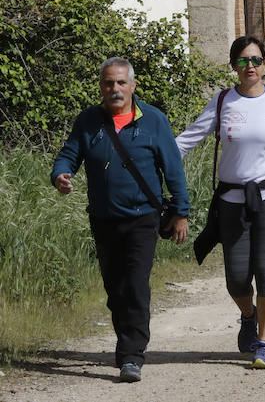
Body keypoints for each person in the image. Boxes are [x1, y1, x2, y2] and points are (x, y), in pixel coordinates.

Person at [51, 57, 190, 383]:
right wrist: (60, 174)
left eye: (120, 83)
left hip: (143, 218)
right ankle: (126, 342)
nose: (114, 89)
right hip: (103, 219)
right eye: (108, 83)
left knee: (135, 283)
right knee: (115, 288)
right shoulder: (88, 121)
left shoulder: (153, 120)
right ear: (102, 86)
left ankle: (131, 355)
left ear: (132, 85)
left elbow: (173, 170)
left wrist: (181, 212)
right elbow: (69, 154)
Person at [175, 36, 265, 369]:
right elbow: (186, 141)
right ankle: (247, 316)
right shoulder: (222, 103)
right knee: (236, 277)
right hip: (232, 200)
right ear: (233, 66)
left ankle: (264, 343)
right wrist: (150, 159)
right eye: (242, 61)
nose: (249, 66)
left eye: (255, 60)